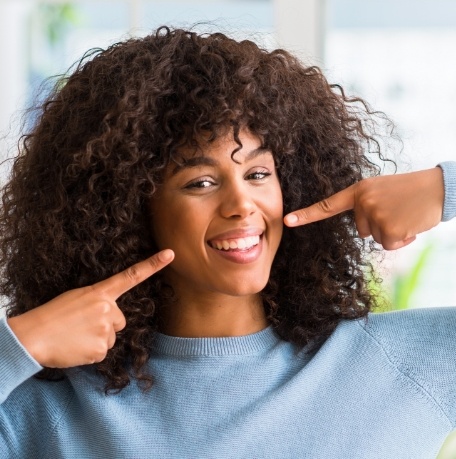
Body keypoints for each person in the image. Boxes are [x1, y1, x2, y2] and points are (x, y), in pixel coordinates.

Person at [0, 26, 455, 459]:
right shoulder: (45, 407)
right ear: (126, 208)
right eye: (200, 182)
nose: (242, 203)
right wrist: (20, 343)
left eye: (258, 174)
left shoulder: (403, 363)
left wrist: (443, 190)